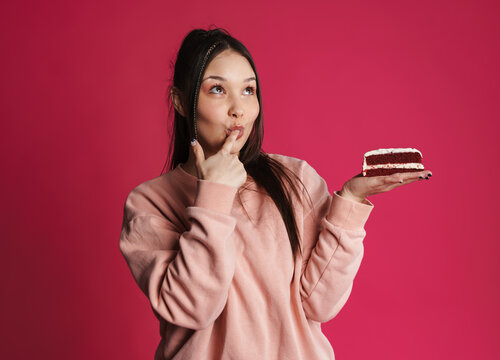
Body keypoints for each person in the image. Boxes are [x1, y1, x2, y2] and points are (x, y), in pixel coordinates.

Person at [119, 26, 432, 360]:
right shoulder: (149, 203)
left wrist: (351, 202)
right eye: (217, 90)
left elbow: (320, 303)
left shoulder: (295, 178)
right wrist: (213, 195)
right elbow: (192, 308)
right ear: (181, 101)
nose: (238, 109)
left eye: (248, 90)